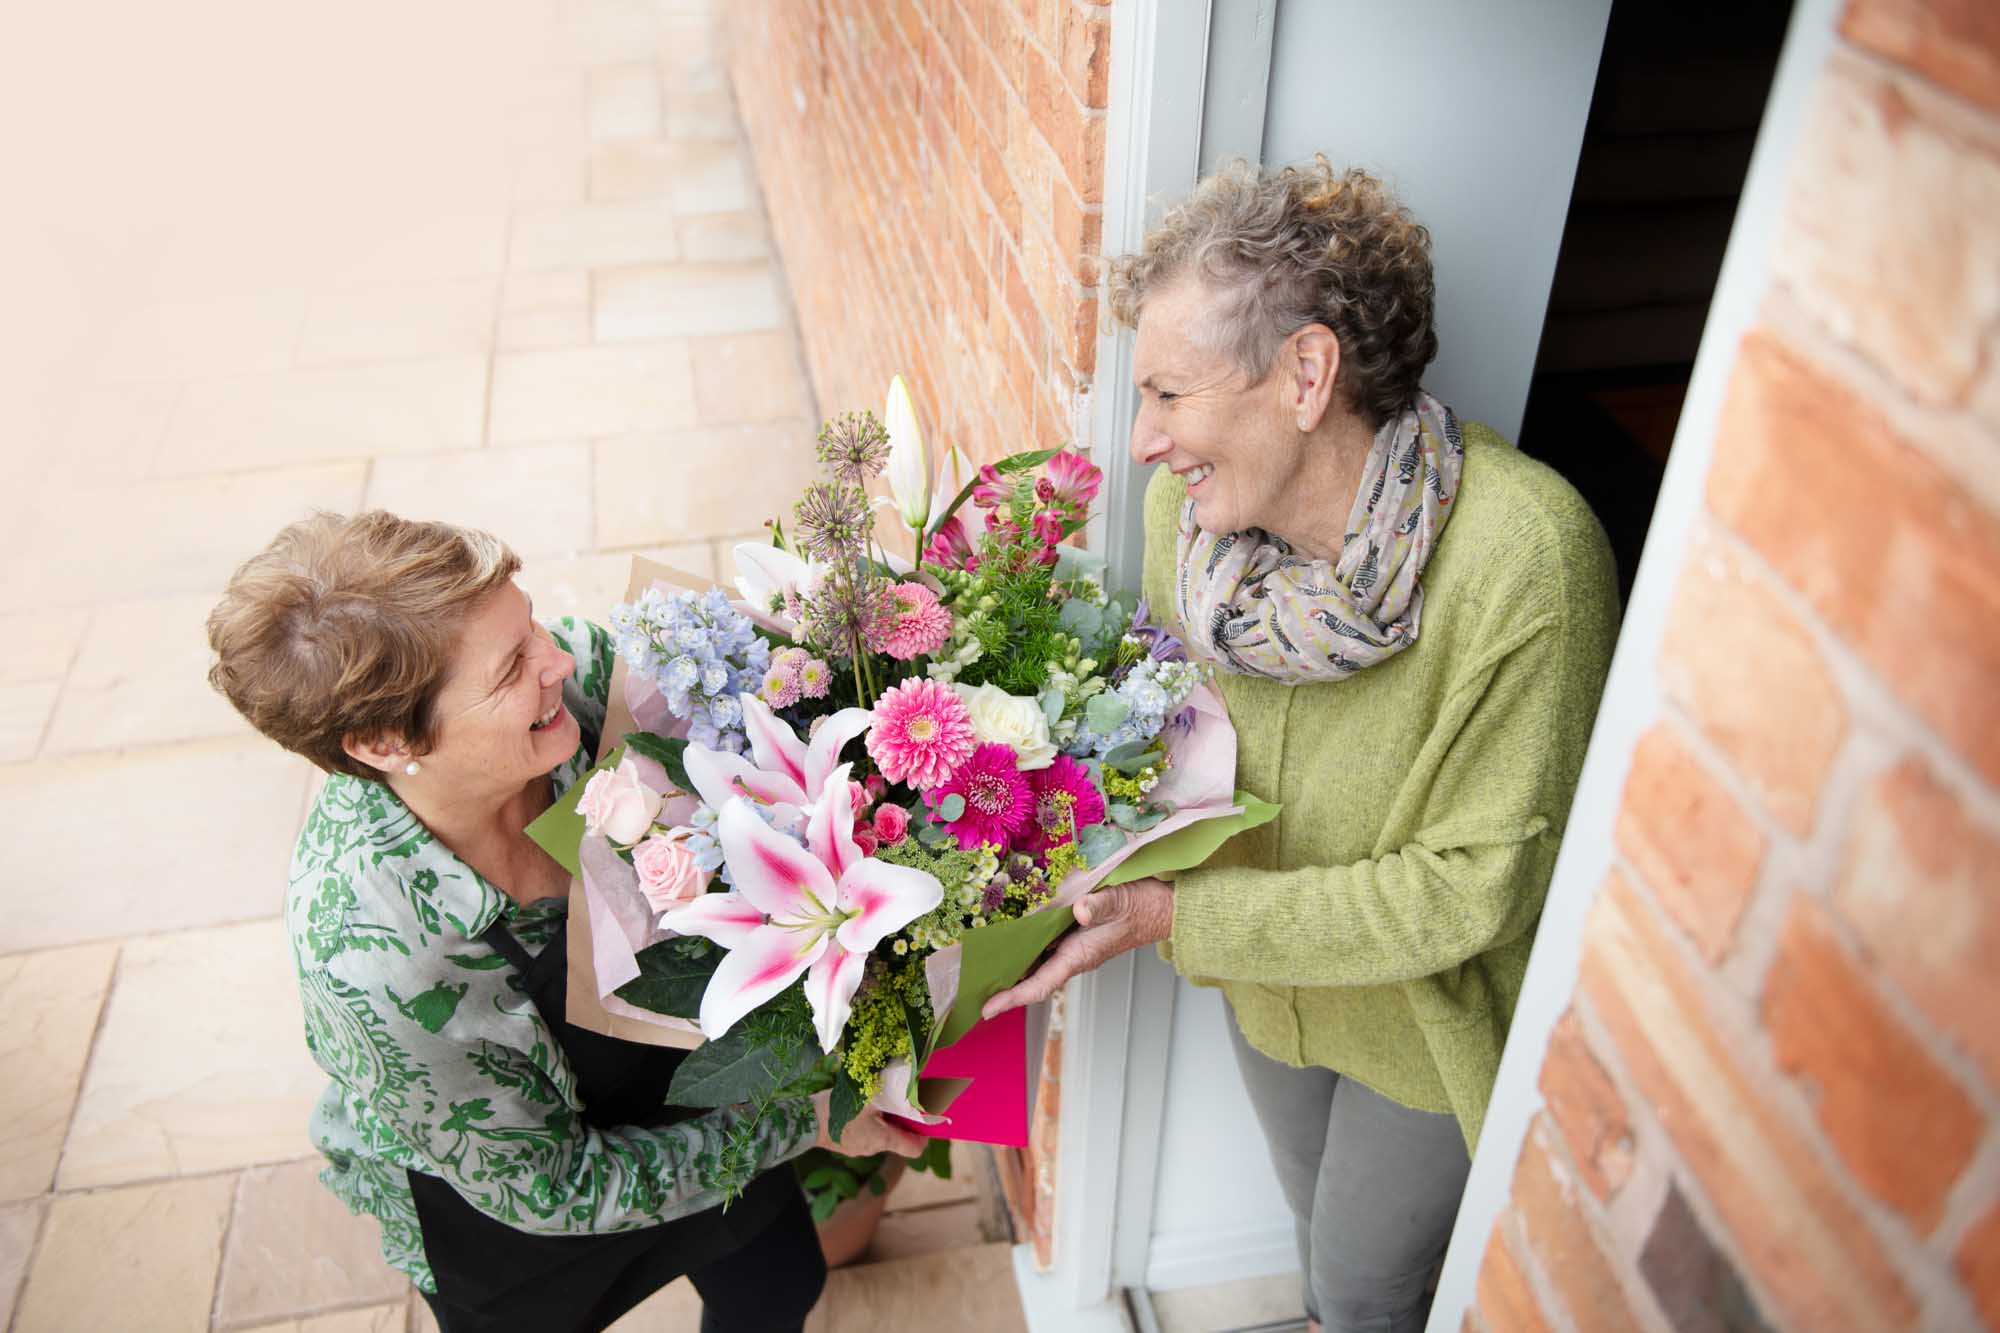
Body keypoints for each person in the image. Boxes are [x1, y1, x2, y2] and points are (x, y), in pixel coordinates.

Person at [986, 159, 1618, 1332]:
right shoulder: (1197, 521)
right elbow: (1170, 728)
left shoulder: (1528, 564)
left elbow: (1467, 893)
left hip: (1425, 1020)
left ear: (1306, 374)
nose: (1140, 444)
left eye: (1169, 395)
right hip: (1265, 991)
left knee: (1361, 1285)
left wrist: (1180, 919)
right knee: (1306, 1229)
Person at [206, 512, 925, 1333]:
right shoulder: (373, 958)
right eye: (512, 666)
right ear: (382, 740)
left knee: (777, 1285)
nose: (561, 658)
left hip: (683, 1069)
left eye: (531, 625)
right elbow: (555, 1186)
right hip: (514, 1204)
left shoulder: (575, 693)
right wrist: (811, 1117)